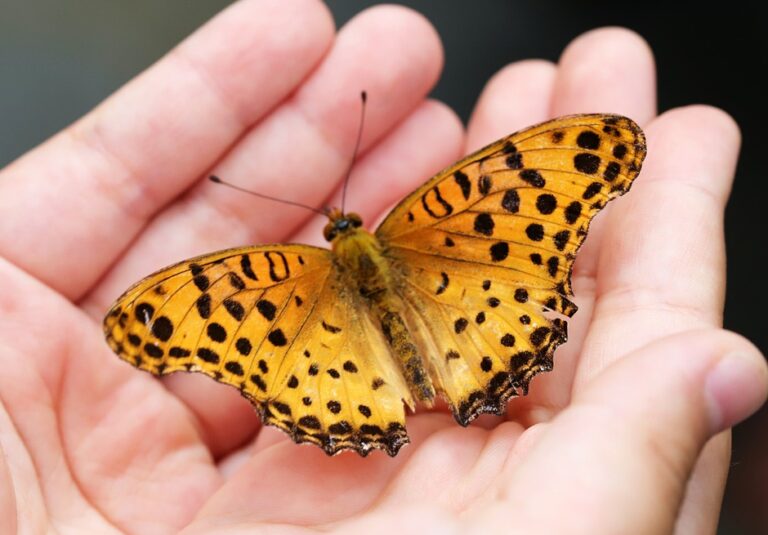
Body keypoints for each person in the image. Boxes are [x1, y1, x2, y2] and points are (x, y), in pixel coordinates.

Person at [0, 1, 765, 533]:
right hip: (475, 311)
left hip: (334, 372)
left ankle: (389, 405)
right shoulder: (441, 211)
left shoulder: (260, 276)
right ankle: (470, 376)